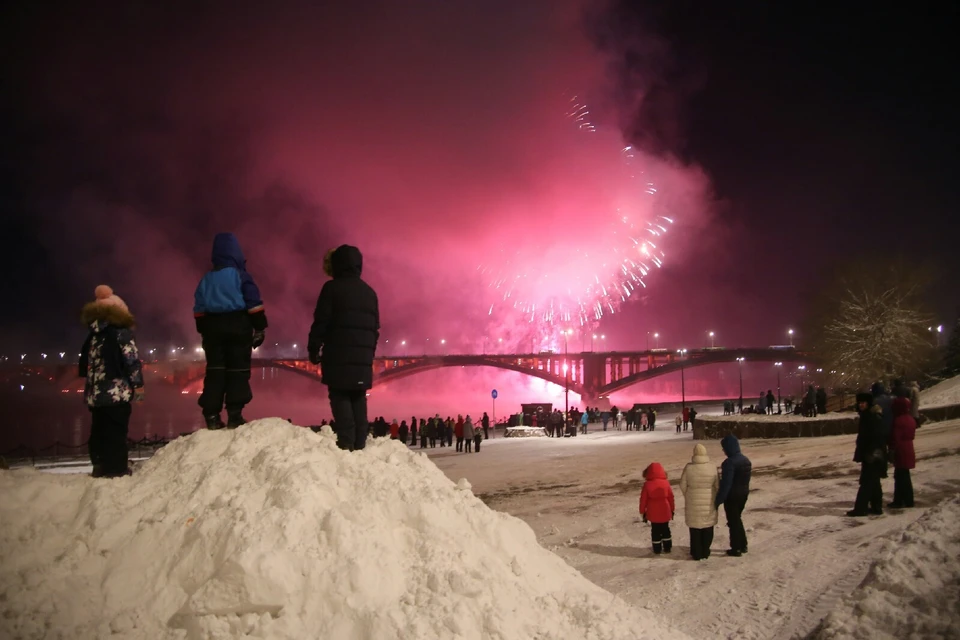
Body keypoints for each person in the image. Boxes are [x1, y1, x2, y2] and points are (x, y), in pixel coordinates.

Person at [307, 245, 379, 451]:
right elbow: (375, 329)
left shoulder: (331, 288)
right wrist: (368, 353)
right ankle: (360, 441)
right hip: (363, 357)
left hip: (338, 354)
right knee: (358, 394)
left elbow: (321, 321)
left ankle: (346, 441)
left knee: (340, 394)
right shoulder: (369, 292)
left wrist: (314, 347)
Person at [194, 233, 268, 429]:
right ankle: (235, 415)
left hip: (212, 329)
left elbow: (199, 308)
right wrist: (260, 328)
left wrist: (203, 331)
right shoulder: (241, 276)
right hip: (238, 327)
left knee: (215, 371)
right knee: (238, 371)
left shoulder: (206, 279)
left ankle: (211, 415)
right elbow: (254, 304)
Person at [79, 285, 145, 478]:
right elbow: (131, 361)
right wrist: (138, 386)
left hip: (96, 394)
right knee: (116, 430)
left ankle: (99, 464)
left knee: (98, 429)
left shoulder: (92, 335)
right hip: (117, 392)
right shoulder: (121, 333)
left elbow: (86, 364)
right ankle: (116, 469)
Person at [847, 392, 886, 517]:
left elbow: (877, 437)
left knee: (866, 482)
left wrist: (872, 453)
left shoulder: (872, 416)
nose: (861, 405)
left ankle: (860, 508)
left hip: (873, 454)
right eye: (859, 403)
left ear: (868, 403)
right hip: (871, 453)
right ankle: (876, 507)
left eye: (863, 403)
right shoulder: (867, 415)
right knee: (873, 481)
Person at [680, 444, 719, 561]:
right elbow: (717, 485)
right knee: (707, 526)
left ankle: (696, 552)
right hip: (709, 500)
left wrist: (688, 495)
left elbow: (682, 485)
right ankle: (705, 550)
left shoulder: (689, 467)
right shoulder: (712, 467)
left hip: (693, 500)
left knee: (695, 528)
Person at [715, 435, 752, 557]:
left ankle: (736, 548)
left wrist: (719, 500)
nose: (723, 450)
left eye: (724, 448)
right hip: (743, 494)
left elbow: (726, 484)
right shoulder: (745, 460)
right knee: (737, 520)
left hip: (732, 497)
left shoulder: (729, 463)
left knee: (733, 522)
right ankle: (743, 545)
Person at [639, 462, 675, 555]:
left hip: (653, 511)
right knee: (665, 529)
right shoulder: (666, 483)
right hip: (665, 509)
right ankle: (667, 547)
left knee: (655, 531)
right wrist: (672, 508)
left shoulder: (647, 484)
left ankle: (657, 549)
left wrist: (642, 511)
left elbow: (643, 499)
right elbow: (671, 497)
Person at [888, 396, 916, 509]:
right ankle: (906, 499)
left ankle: (900, 500)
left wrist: (891, 450)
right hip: (909, 447)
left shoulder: (898, 420)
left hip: (901, 450)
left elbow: (895, 438)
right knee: (905, 476)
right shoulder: (910, 419)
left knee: (900, 477)